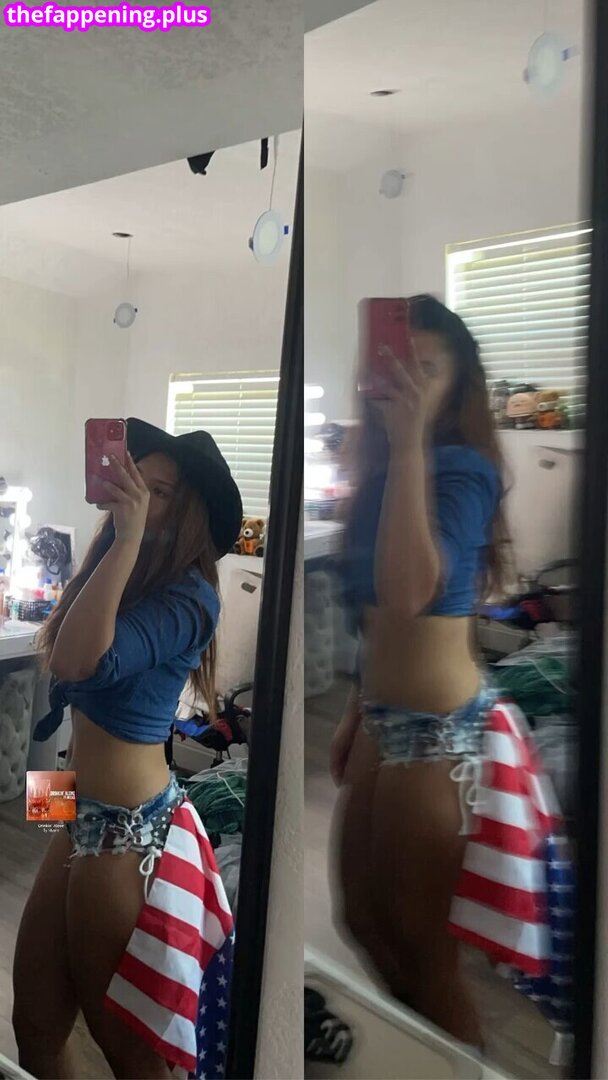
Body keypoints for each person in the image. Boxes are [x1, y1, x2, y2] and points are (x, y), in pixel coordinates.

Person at [12, 419, 242, 1080]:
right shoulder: (117, 575)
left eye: (159, 492)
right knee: (35, 1026)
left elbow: (81, 662)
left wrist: (128, 535)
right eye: (138, 482)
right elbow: (63, 666)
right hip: (73, 811)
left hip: (129, 834)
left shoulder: (192, 598)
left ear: (189, 515)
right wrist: (120, 542)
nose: (139, 498)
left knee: (133, 1058)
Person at [331, 295, 509, 1048]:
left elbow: (409, 592)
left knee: (428, 956)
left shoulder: (464, 470)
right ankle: (422, 1057)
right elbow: (373, 614)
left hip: (442, 738)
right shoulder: (380, 474)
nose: (407, 383)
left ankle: (458, 1061)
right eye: (395, 366)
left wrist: (407, 446)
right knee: (364, 921)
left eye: (426, 370)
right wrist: (356, 708)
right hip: (383, 721)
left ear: (455, 386)